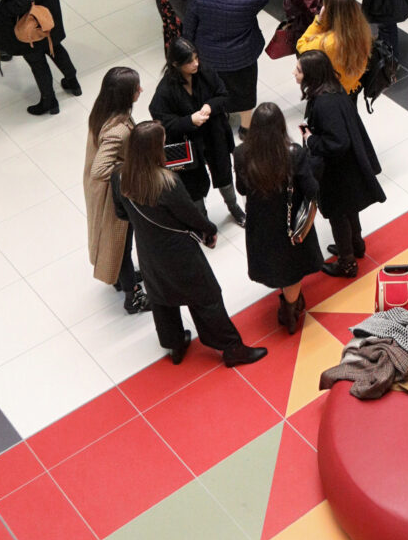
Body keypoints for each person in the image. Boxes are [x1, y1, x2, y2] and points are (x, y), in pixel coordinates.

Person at [116, 121, 265, 367]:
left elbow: (121, 213)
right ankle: (230, 347)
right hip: (178, 252)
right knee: (207, 296)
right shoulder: (167, 182)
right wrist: (209, 230)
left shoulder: (120, 179)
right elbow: (190, 215)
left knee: (162, 299)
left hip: (148, 252)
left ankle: (175, 344)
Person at [237, 101, 324, 334]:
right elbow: (311, 189)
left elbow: (242, 190)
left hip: (260, 221)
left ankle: (287, 308)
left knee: (275, 262)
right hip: (290, 219)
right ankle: (291, 310)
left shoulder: (241, 154)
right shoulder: (293, 153)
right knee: (293, 267)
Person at [298, 47, 386, 277]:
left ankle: (347, 262)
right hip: (351, 168)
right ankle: (356, 245)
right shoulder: (336, 91)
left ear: (311, 75)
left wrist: (311, 139)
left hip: (338, 173)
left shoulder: (324, 104)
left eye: (298, 70)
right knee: (351, 209)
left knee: (338, 216)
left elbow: (337, 142)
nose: (295, 74)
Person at [150, 36, 244, 223]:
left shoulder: (205, 72)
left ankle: (234, 206)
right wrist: (189, 121)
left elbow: (223, 95)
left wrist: (210, 106)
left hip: (213, 133)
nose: (195, 64)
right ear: (176, 64)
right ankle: (202, 219)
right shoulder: (166, 89)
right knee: (193, 182)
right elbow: (161, 120)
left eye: (196, 58)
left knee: (224, 171)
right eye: (189, 61)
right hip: (188, 143)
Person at [183, 0, 271, 130]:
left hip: (210, 57)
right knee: (245, 91)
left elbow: (189, 27)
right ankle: (246, 128)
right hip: (242, 56)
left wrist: (190, 54)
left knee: (215, 90)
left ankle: (221, 120)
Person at [83, 66, 147, 314]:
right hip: (115, 197)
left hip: (99, 193)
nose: (140, 90)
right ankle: (133, 297)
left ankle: (122, 279)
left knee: (117, 244)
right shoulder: (118, 130)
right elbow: (100, 169)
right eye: (136, 88)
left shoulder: (102, 113)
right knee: (121, 245)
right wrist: (130, 166)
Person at [298, 0, 374, 94]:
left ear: (329, 11)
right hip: (353, 85)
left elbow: (302, 46)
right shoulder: (362, 30)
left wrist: (318, 22)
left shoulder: (327, 42)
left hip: (334, 92)